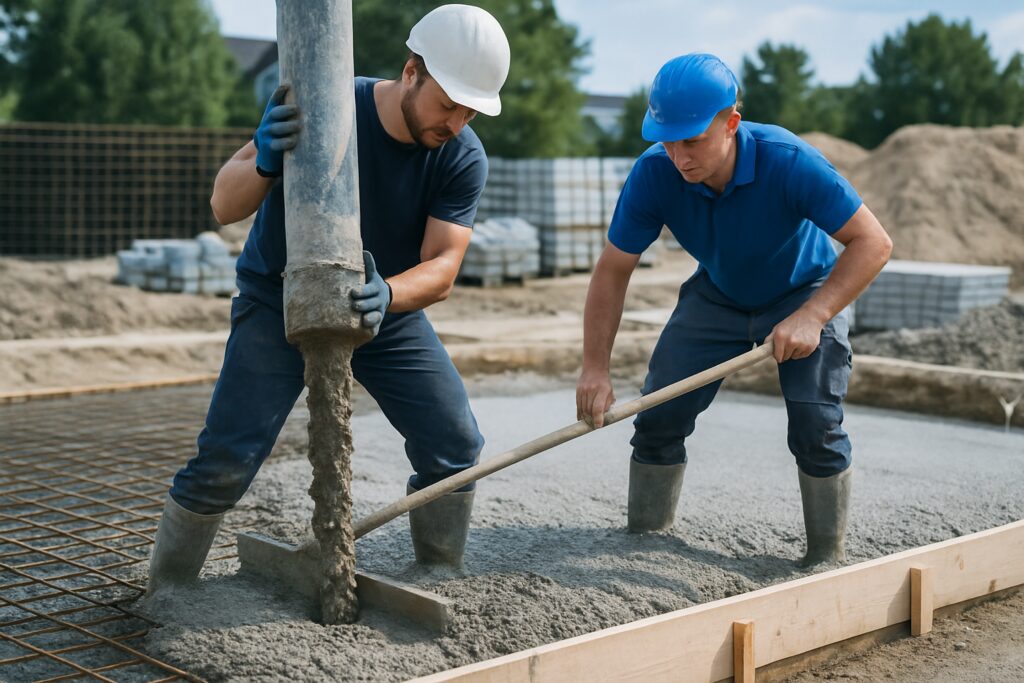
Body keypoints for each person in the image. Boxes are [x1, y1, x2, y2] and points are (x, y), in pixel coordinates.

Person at [147, 4, 511, 594]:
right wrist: (265, 159)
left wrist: (388, 293)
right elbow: (222, 205)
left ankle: (439, 572)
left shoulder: (462, 156)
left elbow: (443, 267)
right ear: (412, 71)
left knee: (455, 444)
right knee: (227, 457)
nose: (458, 121)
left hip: (378, 302)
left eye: (472, 110)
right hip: (279, 299)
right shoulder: (325, 100)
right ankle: (165, 590)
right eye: (449, 104)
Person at [575, 53, 892, 566]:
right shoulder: (654, 173)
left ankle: (826, 560)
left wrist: (813, 316)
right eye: (668, 139)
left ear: (732, 123)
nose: (679, 156)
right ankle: (645, 543)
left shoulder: (787, 160)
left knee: (815, 424)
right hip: (719, 293)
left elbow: (873, 243)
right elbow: (613, 269)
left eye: (693, 140)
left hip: (805, 291)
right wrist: (594, 368)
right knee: (658, 415)